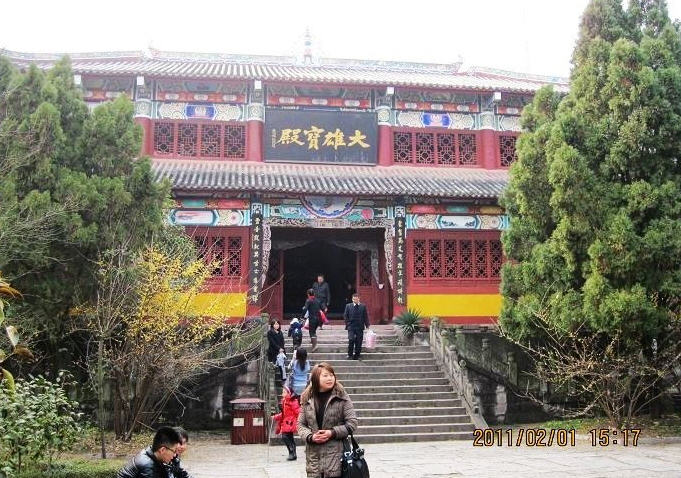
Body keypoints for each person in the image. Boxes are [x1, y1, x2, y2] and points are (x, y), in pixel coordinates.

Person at [298, 363, 358, 478]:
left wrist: (332, 432)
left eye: (331, 375)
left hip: (336, 456)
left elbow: (352, 423)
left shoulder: (341, 396)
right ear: (315, 378)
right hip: (314, 457)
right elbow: (300, 424)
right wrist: (311, 437)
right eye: (325, 375)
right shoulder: (307, 398)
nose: (330, 378)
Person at [117, 426, 182, 478]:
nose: (174, 455)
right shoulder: (148, 466)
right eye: (174, 451)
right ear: (162, 450)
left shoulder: (151, 453)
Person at [272, 385, 301, 461]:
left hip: (290, 422)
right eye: (282, 392)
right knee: (290, 438)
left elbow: (298, 412)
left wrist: (300, 421)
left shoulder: (292, 401)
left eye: (284, 392)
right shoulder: (284, 401)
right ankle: (293, 454)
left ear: (288, 393)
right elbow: (284, 414)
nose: (282, 394)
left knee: (285, 436)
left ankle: (291, 452)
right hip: (286, 421)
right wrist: (275, 417)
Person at [343, 293, 370, 360]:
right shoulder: (348, 306)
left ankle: (357, 355)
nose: (355, 300)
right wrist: (348, 324)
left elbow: (365, 317)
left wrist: (367, 325)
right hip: (351, 326)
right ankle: (350, 355)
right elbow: (345, 316)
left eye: (356, 299)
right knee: (351, 339)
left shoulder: (362, 306)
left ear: (359, 299)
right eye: (354, 299)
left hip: (359, 326)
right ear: (352, 299)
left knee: (359, 341)